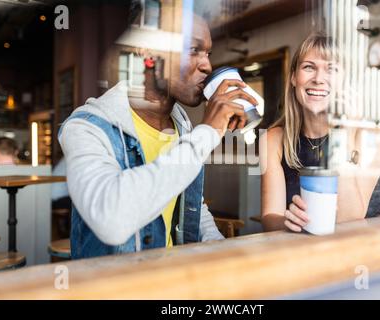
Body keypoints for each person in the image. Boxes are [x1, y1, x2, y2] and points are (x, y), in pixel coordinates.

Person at [59, 3, 256, 259]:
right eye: (193, 49)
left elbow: (189, 205)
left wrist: (222, 253)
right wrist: (207, 132)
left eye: (207, 52)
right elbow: (111, 219)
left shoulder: (182, 127)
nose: (207, 65)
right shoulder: (86, 127)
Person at [260, 33, 380, 232]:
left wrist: (345, 131)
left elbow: (349, 219)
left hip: (362, 254)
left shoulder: (373, 138)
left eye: (332, 69)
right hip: (301, 253)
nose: (319, 79)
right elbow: (270, 219)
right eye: (309, 67)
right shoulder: (273, 140)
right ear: (294, 77)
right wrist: (289, 222)